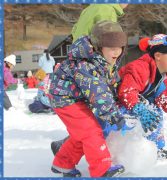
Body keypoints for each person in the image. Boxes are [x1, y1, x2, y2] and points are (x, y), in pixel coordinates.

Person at [49, 21, 129, 177]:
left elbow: (108, 86)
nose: (116, 52)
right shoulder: (86, 65)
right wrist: (112, 114)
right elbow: (98, 93)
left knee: (81, 135)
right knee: (91, 132)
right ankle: (101, 169)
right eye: (111, 48)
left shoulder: (103, 61)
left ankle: (62, 165)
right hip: (65, 100)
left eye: (120, 47)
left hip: (75, 99)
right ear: (99, 47)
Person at [118, 34, 167, 159]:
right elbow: (127, 92)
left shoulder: (166, 76)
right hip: (118, 104)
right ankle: (120, 150)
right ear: (158, 56)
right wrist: (140, 109)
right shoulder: (139, 67)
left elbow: (165, 94)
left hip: (139, 102)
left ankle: (157, 148)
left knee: (156, 113)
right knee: (128, 120)